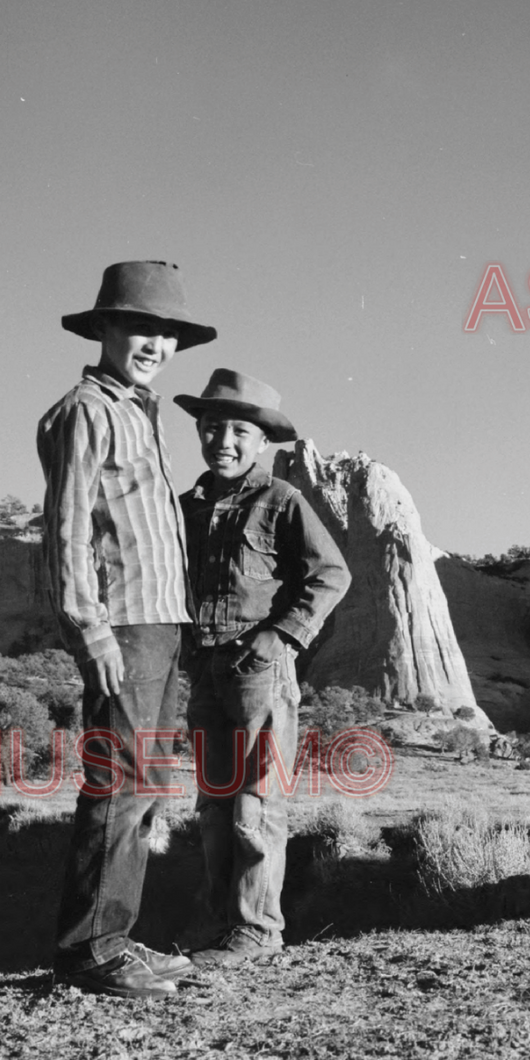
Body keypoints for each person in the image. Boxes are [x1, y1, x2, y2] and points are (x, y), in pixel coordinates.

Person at [37, 259, 215, 999]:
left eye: (166, 331)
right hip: (127, 624)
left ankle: (113, 938)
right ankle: (93, 951)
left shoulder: (139, 410)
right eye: (140, 326)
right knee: (119, 780)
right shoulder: (87, 409)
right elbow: (68, 526)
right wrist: (92, 630)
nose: (154, 342)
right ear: (105, 328)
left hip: (162, 622)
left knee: (142, 783)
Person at [175, 370, 351, 968]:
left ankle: (257, 931)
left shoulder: (282, 501)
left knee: (256, 802)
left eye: (240, 431)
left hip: (260, 670)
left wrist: (280, 637)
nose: (224, 440)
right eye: (213, 426)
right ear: (200, 430)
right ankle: (224, 926)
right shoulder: (186, 509)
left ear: (261, 441)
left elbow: (331, 575)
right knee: (215, 803)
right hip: (206, 670)